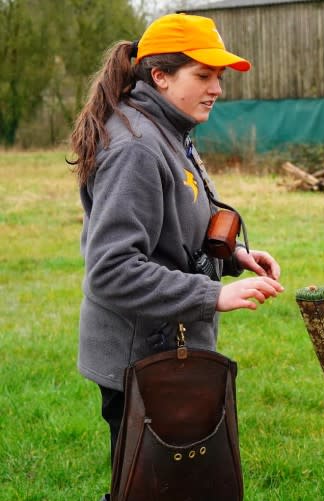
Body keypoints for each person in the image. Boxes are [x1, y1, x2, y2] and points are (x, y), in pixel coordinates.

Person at [68, 13, 284, 500]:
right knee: (148, 487)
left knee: (169, 485)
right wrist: (215, 295)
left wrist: (234, 256)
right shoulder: (137, 148)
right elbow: (112, 270)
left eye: (219, 78)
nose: (217, 89)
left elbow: (174, 231)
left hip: (167, 347)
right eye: (203, 76)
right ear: (160, 76)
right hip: (141, 358)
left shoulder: (168, 129)